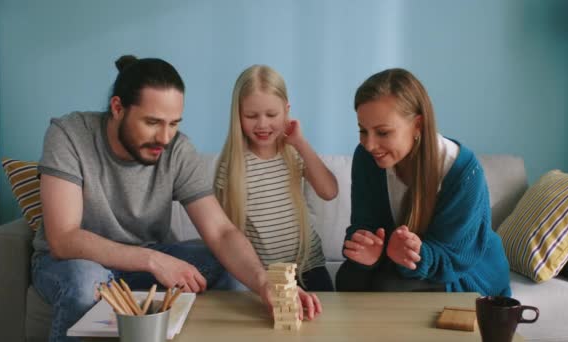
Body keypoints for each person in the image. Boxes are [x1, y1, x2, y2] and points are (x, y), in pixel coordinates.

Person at [32, 56, 321, 342]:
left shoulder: (177, 150)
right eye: (152, 122)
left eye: (173, 124)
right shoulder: (69, 134)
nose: (164, 137)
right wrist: (152, 259)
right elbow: (64, 238)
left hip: (147, 260)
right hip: (76, 263)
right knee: (84, 284)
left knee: (225, 266)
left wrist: (263, 282)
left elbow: (221, 232)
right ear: (118, 108)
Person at [335, 68, 511, 296]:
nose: (369, 144)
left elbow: (455, 258)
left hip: (461, 270)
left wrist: (415, 255)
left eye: (383, 132)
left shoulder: (463, 172)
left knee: (388, 287)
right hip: (397, 259)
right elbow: (363, 223)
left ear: (418, 125)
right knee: (349, 278)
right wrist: (366, 251)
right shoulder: (366, 158)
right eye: (363, 130)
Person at [214, 65, 338, 291]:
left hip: (308, 267)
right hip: (264, 277)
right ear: (238, 115)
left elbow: (329, 191)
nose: (262, 124)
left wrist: (301, 144)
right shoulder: (232, 166)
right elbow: (225, 232)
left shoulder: (293, 153)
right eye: (251, 116)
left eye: (271, 115)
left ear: (286, 111)